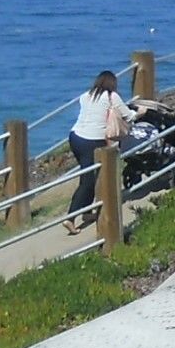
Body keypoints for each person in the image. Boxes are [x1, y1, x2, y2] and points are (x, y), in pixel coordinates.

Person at [63, 70, 133, 235]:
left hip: (75, 137)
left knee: (88, 175)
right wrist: (141, 112)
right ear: (112, 83)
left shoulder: (86, 95)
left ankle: (87, 212)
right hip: (92, 140)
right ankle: (70, 218)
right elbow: (128, 116)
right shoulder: (112, 97)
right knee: (87, 182)